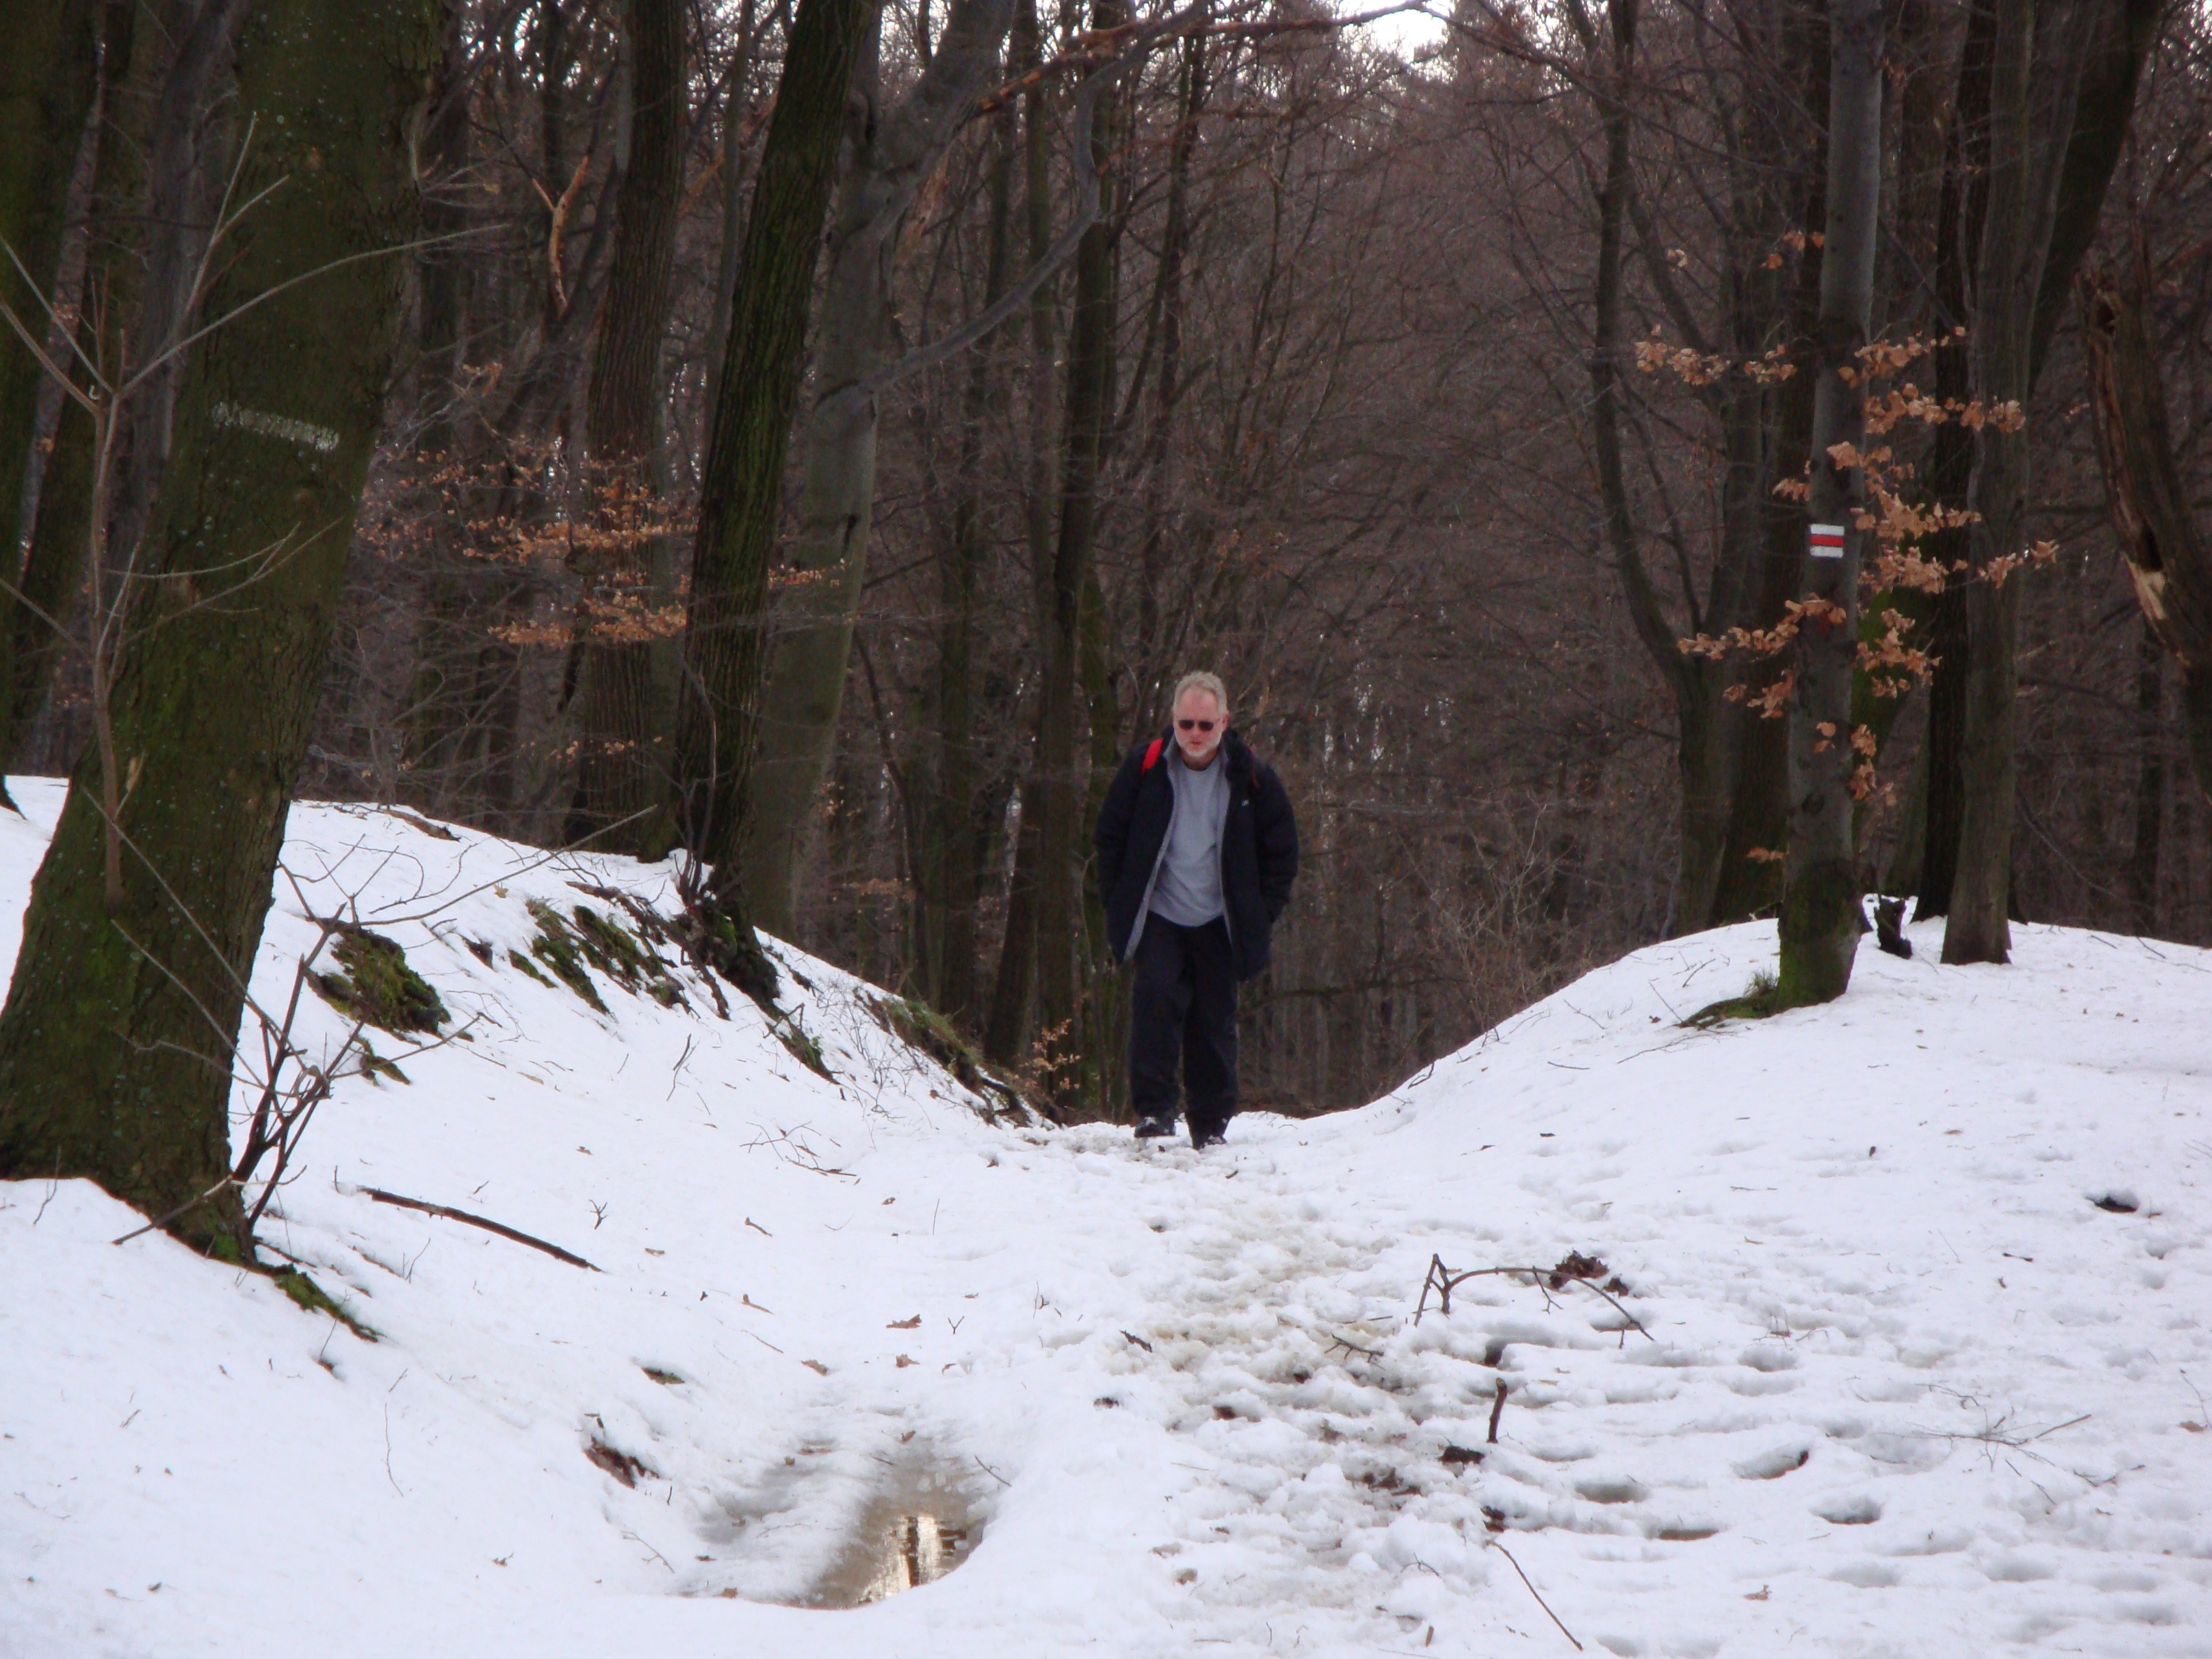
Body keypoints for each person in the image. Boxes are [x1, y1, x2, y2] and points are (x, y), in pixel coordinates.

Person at [1094, 672, 1299, 1147]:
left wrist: (1258, 914)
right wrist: (1120, 900)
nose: (1195, 734)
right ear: (1173, 720)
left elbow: (1282, 854)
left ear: (1224, 722)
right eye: (1186, 723)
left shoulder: (1252, 778)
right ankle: (1154, 1112)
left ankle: (1210, 1123)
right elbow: (1110, 838)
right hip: (1161, 914)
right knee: (1155, 1003)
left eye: (1206, 725)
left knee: (1214, 1021)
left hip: (1220, 920)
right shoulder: (1145, 768)